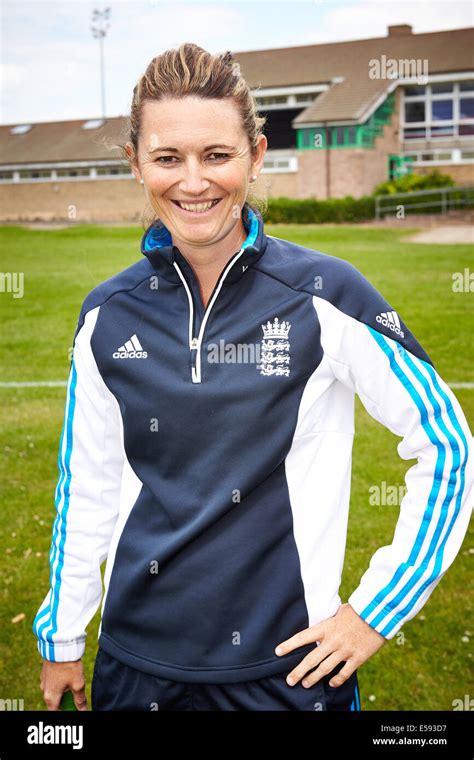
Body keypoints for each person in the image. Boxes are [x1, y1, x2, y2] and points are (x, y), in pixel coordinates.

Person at [33, 43, 473, 712]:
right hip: (136, 668)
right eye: (167, 158)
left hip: (289, 675)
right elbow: (86, 488)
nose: (193, 182)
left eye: (217, 155)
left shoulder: (327, 293)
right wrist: (63, 635)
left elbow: (447, 446)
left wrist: (375, 613)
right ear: (135, 163)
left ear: (257, 156)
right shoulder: (106, 314)